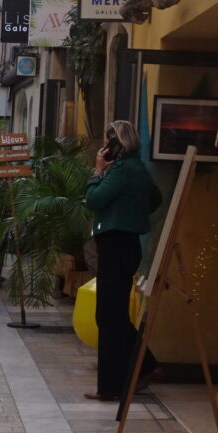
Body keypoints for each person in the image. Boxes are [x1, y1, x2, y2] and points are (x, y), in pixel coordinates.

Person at [83, 119, 163, 401]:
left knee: (108, 315)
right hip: (126, 246)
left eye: (109, 141)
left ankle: (112, 386)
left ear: (118, 144)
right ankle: (142, 367)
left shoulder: (120, 171)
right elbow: (155, 199)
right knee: (112, 314)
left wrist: (97, 171)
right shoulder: (137, 170)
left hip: (116, 246)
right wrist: (131, 211)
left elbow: (93, 200)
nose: (104, 147)